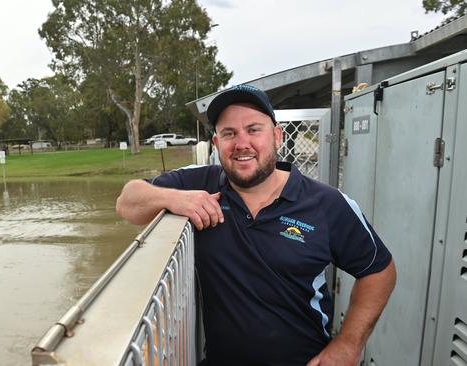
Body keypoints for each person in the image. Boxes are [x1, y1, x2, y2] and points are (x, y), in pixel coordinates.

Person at [116, 84, 396, 366]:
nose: (241, 144)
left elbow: (379, 271)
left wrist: (348, 343)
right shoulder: (200, 184)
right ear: (216, 144)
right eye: (229, 133)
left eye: (253, 129)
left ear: (276, 136)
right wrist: (173, 198)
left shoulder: (328, 204)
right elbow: (127, 201)